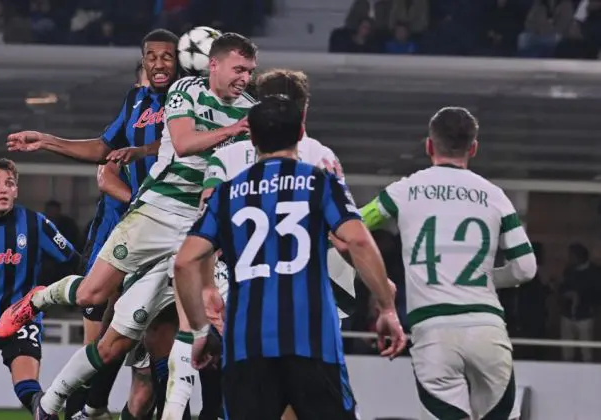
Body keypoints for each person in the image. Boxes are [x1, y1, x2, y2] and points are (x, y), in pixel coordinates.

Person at [0, 32, 257, 420]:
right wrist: (234, 131)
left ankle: (64, 408)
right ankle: (38, 301)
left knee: (165, 342)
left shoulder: (251, 108)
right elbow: (183, 143)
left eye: (250, 72)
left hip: (200, 229)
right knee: (92, 298)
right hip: (154, 212)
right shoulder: (182, 91)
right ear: (213, 64)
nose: (245, 78)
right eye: (239, 69)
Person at [174, 96, 406, 419]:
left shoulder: (226, 194)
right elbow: (357, 241)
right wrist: (387, 308)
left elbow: (184, 262)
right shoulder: (320, 183)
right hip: (313, 340)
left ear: (252, 137)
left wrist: (200, 331)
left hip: (246, 343)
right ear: (300, 132)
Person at [1, 29, 181, 420]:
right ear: (144, 61)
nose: (159, 64)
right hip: (137, 228)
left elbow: (179, 143)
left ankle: (87, 408)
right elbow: (105, 152)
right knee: (104, 315)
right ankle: (81, 403)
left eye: (168, 56)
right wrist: (47, 140)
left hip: (176, 228)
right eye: (152, 57)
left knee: (155, 349)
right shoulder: (136, 99)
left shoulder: (189, 100)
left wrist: (144, 152)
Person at [355, 107, 537, 419]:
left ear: (429, 145)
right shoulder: (495, 196)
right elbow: (525, 268)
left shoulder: (404, 189)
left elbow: (354, 225)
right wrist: (486, 279)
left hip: (433, 330)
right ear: (474, 148)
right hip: (486, 329)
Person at [201, 69, 358, 420]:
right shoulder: (322, 157)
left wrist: (207, 289)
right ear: (303, 115)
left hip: (246, 294)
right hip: (313, 296)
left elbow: (204, 228)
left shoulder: (226, 157)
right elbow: (345, 235)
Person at [0, 159, 78, 420]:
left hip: (21, 317)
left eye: (9, 184)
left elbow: (72, 260)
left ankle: (45, 411)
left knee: (28, 388)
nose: (3, 189)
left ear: (16, 190)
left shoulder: (35, 223)